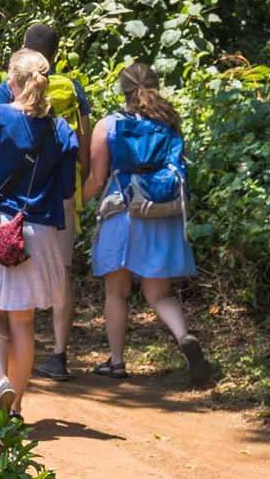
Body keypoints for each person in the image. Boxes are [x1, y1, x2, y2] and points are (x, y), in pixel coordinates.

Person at [0, 49, 80, 418]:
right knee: (24, 321)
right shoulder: (61, 129)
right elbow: (65, 190)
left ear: (10, 84)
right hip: (39, 231)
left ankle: (1, 383)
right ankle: (16, 411)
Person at [84, 63, 211, 384]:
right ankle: (183, 337)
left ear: (121, 90)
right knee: (160, 295)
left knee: (116, 292)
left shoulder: (108, 125)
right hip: (161, 214)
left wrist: (72, 204)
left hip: (123, 213)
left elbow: (98, 179)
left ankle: (116, 362)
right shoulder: (169, 123)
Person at [0, 24, 93, 381]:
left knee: (11, 266)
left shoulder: (8, 88)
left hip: (11, 200)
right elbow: (83, 144)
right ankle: (59, 353)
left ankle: (12, 348)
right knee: (62, 273)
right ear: (57, 53)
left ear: (23, 49)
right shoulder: (73, 90)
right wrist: (79, 186)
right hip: (60, 195)